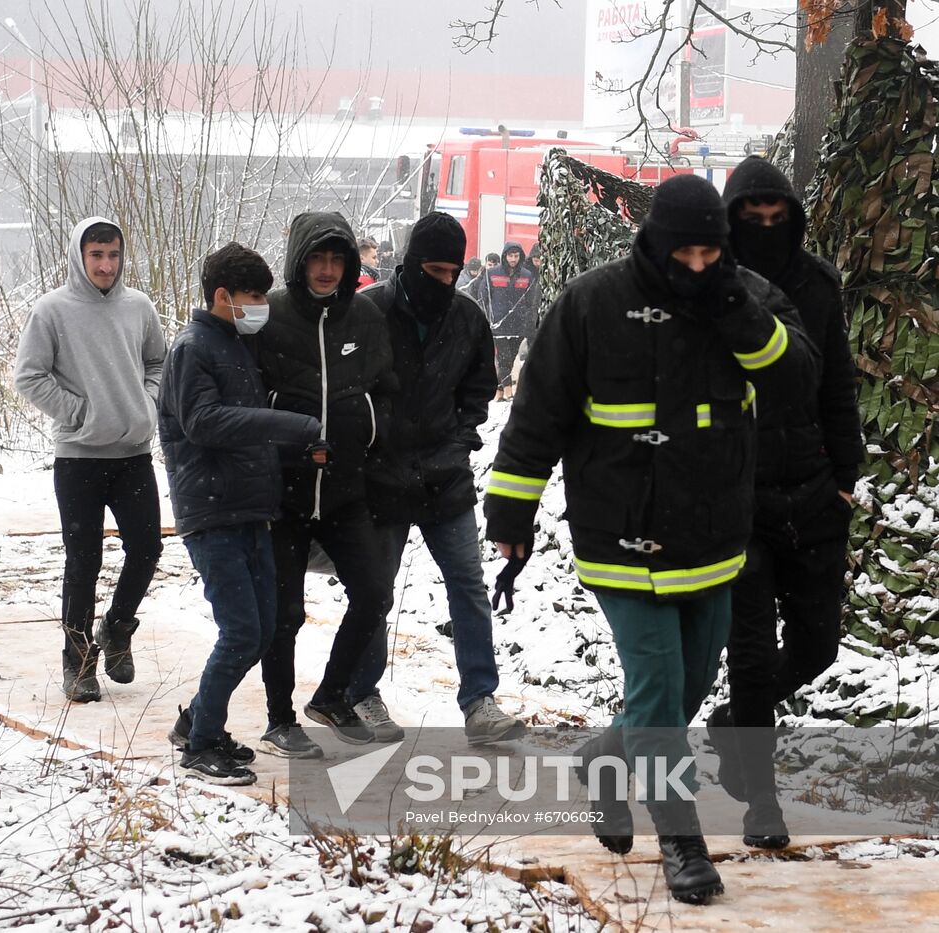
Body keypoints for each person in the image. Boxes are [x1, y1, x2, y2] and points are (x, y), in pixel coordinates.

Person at [483, 175, 817, 905]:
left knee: (688, 685)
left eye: (710, 253)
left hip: (713, 535)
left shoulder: (748, 296)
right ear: (656, 244)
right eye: (684, 253)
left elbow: (798, 382)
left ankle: (605, 757)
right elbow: (537, 414)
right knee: (661, 687)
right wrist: (511, 514)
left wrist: (736, 314)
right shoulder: (591, 302)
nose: (698, 266)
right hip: (619, 532)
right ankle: (681, 838)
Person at [708, 156, 864, 850]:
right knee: (749, 650)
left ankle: (734, 723)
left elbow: (837, 383)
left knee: (817, 645)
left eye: (777, 218)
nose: (766, 228)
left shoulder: (820, 285)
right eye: (752, 218)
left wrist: (844, 474)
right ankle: (761, 802)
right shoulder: (711, 288)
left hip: (811, 485)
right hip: (739, 493)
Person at [159, 243, 327, 784]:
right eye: (253, 296)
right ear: (223, 296)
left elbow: (243, 425)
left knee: (258, 632)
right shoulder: (193, 347)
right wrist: (289, 425)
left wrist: (297, 448)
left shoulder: (234, 343)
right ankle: (202, 744)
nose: (261, 305)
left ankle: (196, 722)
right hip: (212, 512)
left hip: (250, 509)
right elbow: (204, 423)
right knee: (239, 632)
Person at [355, 212, 522, 744]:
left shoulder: (468, 316)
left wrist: (462, 438)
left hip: (444, 476)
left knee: (468, 587)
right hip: (379, 475)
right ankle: (362, 694)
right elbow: (345, 387)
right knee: (373, 591)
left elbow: (480, 387)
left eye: (452, 271)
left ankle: (480, 702)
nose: (443, 281)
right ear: (409, 263)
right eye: (433, 269)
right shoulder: (369, 311)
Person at [250, 211, 396, 757]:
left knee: (374, 592)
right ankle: (278, 718)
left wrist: (369, 428)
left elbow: (384, 387)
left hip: (344, 488)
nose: (328, 269)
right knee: (285, 614)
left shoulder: (362, 317)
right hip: (283, 492)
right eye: (318, 257)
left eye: (338, 259)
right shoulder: (272, 315)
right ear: (300, 260)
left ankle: (332, 695)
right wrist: (286, 429)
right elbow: (248, 394)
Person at [13, 217, 167, 703]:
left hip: (133, 454)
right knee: (84, 560)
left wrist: (146, 404)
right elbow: (29, 376)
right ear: (79, 256)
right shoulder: (52, 310)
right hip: (78, 458)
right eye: (96, 254)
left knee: (147, 549)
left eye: (113, 255)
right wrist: (80, 412)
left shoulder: (139, 307)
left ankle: (117, 628)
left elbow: (159, 362)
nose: (105, 264)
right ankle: (77, 661)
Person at [477, 242, 540, 400]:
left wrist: (528, 319)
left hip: (518, 324)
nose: (513, 259)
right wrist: (487, 316)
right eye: (510, 255)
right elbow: (482, 295)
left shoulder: (526, 275)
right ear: (505, 256)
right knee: (504, 357)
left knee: (511, 358)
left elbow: (530, 300)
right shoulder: (492, 273)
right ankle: (507, 390)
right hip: (498, 324)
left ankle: (498, 390)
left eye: (516, 256)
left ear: (520, 257)